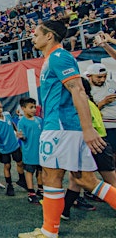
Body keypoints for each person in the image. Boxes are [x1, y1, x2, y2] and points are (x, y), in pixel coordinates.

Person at [19, 17, 116, 238]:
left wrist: (88, 129)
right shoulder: (51, 59)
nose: (33, 37)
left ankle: (48, 232)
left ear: (49, 36)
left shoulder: (59, 57)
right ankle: (49, 231)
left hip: (60, 128)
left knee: (52, 176)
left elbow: (78, 91)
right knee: (85, 180)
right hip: (65, 128)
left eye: (36, 34)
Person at [61, 77, 116, 220]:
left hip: (95, 144)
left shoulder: (81, 104)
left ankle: (65, 211)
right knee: (76, 180)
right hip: (97, 143)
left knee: (108, 180)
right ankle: (64, 211)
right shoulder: (89, 102)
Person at [0, 99, 26, 196]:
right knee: (7, 166)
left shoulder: (7, 114)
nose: (0, 109)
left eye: (0, 107)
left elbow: (12, 123)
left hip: (15, 145)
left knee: (20, 163)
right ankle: (9, 185)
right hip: (4, 148)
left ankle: (22, 180)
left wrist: (17, 131)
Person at [16, 97, 44, 205]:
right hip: (29, 153)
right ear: (23, 108)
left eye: (34, 107)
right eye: (30, 107)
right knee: (29, 172)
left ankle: (40, 189)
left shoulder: (39, 120)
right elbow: (23, 136)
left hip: (40, 153)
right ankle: (31, 193)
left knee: (40, 171)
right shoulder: (22, 122)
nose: (33, 109)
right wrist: (21, 137)